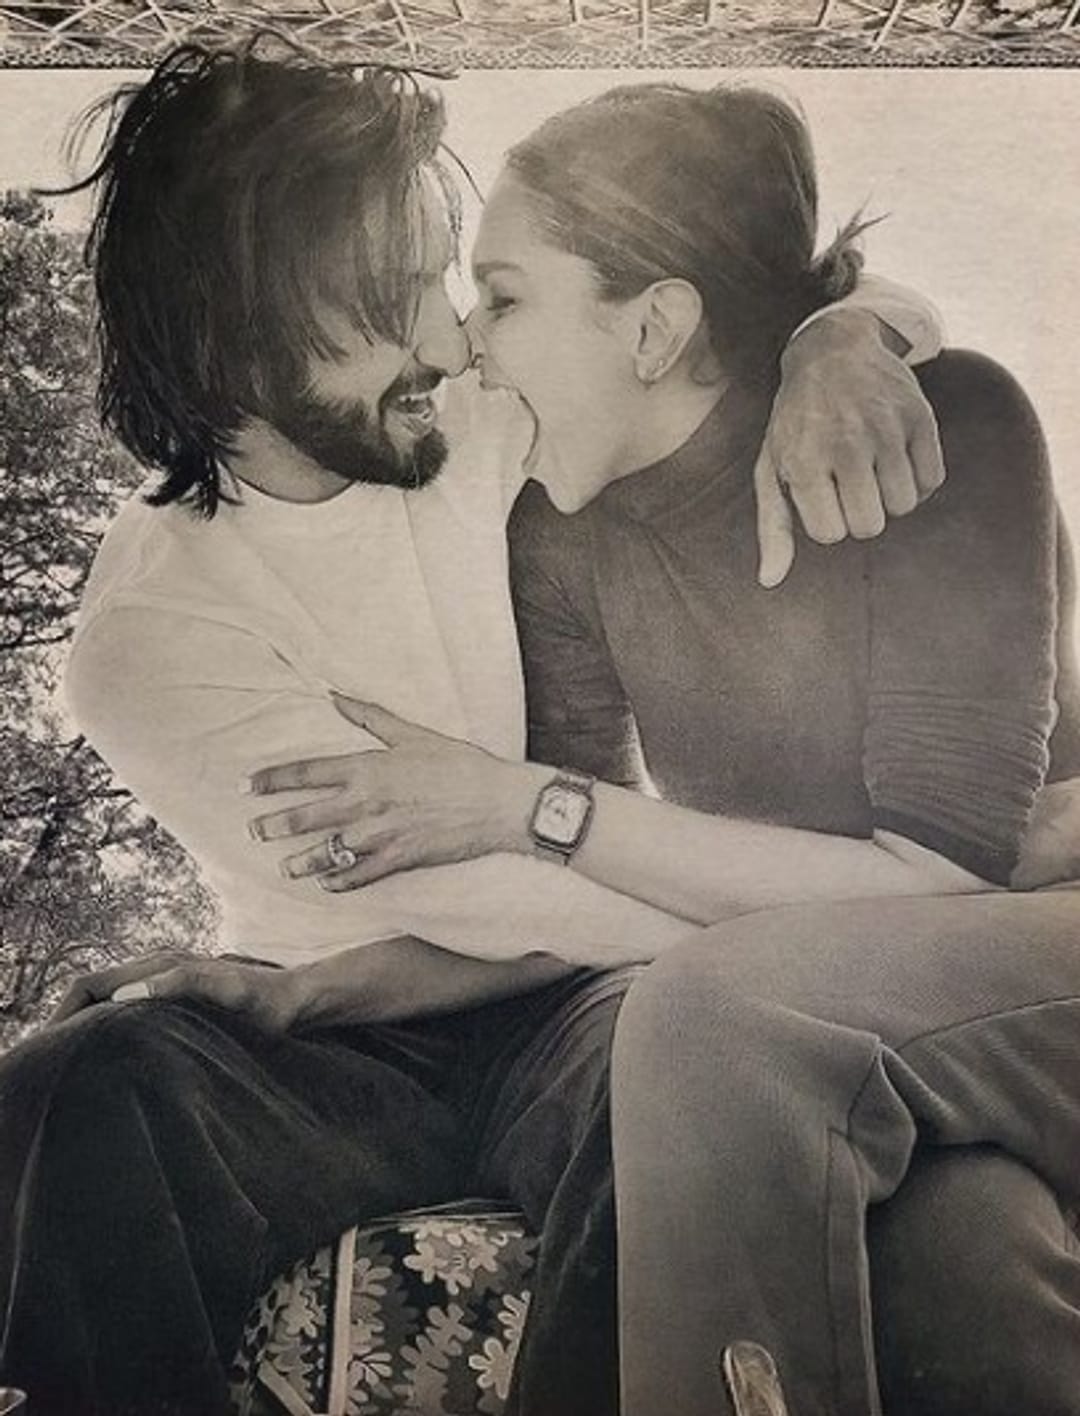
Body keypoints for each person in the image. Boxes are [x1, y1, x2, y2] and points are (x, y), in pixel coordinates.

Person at [0, 47, 951, 1416]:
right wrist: (793, 893)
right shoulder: (155, 632)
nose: (450, 341)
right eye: (393, 299)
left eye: (445, 283)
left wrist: (837, 345)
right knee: (80, 1082)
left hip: (582, 1000)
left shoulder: (478, 415)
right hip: (345, 1037)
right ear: (235, 334)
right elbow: (502, 900)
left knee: (685, 1065)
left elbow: (790, 301)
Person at [252, 83, 1080, 1415]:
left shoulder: (928, 425)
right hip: (873, 1020)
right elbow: (606, 896)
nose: (466, 350)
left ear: (652, 327)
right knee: (952, 1253)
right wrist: (305, 993)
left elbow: (942, 878)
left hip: (1036, 959)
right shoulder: (561, 537)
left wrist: (531, 805)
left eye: (503, 298)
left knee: (708, 1009)